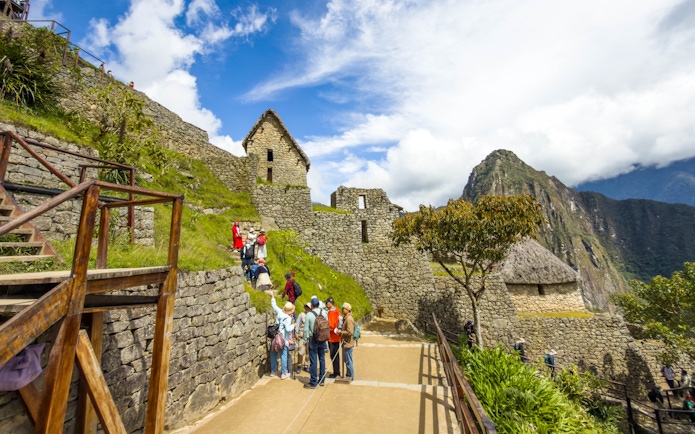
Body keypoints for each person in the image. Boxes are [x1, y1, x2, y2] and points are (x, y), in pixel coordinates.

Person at [269, 293, 294, 380]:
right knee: (283, 355)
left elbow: (274, 306)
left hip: (275, 336)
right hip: (283, 339)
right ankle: (283, 373)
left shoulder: (280, 312)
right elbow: (287, 329)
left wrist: (272, 297)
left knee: (274, 353)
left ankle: (273, 371)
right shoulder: (288, 318)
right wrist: (293, 325)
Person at [303, 296, 327, 389]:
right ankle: (322, 380)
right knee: (322, 359)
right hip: (323, 338)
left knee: (313, 361)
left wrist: (305, 340)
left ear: (312, 305)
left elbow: (305, 330)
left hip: (313, 338)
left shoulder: (309, 314)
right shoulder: (324, 312)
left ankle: (313, 382)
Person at [325, 297, 341, 378]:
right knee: (336, 355)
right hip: (337, 336)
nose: (326, 305)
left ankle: (336, 372)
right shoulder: (337, 311)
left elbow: (331, 325)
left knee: (333, 355)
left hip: (332, 337)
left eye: (327, 303)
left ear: (330, 303)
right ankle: (337, 371)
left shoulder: (331, 313)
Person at [340, 302, 355, 381]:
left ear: (347, 310)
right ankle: (348, 374)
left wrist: (341, 332)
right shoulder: (346, 318)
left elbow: (350, 332)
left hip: (348, 343)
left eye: (344, 308)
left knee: (349, 361)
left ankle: (351, 376)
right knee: (347, 360)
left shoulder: (349, 319)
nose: (342, 310)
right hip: (346, 343)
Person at [295, 302, 311, 374]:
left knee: (308, 352)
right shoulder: (301, 315)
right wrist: (296, 333)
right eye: (306, 306)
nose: (307, 308)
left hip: (310, 336)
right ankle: (299, 365)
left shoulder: (312, 315)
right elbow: (297, 324)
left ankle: (306, 365)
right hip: (301, 336)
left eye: (309, 307)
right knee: (301, 351)